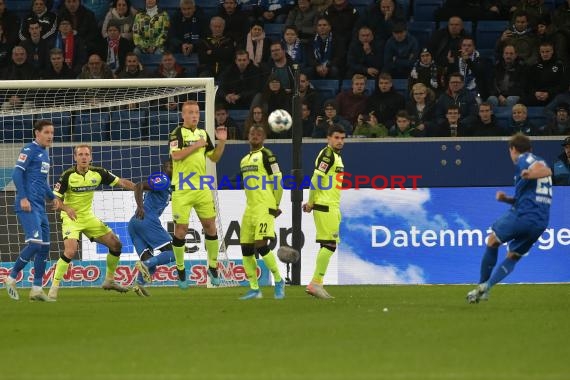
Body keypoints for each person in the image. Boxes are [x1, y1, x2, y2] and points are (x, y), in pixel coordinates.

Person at [467, 133, 552, 303]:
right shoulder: (538, 160)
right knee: (513, 256)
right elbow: (529, 192)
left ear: (513, 149)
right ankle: (487, 288)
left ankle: (481, 284)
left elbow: (546, 171)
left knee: (492, 241)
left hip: (523, 215)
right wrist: (506, 199)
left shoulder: (525, 159)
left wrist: (530, 174)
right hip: (541, 222)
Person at [48, 144, 136, 300]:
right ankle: (53, 287)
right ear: (75, 157)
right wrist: (66, 208)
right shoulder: (67, 175)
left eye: (86, 154)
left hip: (88, 218)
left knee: (116, 245)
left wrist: (140, 188)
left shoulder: (98, 173)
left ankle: (109, 280)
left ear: (90, 157)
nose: (83, 157)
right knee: (70, 250)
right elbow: (55, 201)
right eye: (80, 154)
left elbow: (121, 182)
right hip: (71, 218)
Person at [169, 100, 227, 288]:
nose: (194, 115)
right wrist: (197, 145)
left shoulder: (203, 134)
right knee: (181, 230)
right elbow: (176, 156)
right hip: (182, 189)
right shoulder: (177, 133)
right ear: (183, 115)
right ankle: (180, 269)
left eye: (196, 113)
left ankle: (212, 267)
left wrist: (222, 142)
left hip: (202, 188)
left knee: (211, 227)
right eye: (190, 112)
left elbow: (215, 158)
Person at [4, 121, 56, 301]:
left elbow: (42, 183)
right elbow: (16, 173)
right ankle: (11, 278)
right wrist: (24, 197)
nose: (50, 136)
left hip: (40, 207)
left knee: (45, 248)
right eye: (47, 132)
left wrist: (53, 197)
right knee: (35, 244)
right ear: (37, 133)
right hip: (27, 204)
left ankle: (37, 288)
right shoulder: (30, 149)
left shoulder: (45, 154)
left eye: (52, 132)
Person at [238, 125, 285, 300]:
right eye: (252, 133)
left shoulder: (267, 155)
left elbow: (278, 179)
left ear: (264, 137)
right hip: (250, 208)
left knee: (261, 244)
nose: (255, 136)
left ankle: (279, 281)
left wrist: (276, 204)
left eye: (259, 133)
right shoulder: (244, 160)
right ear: (248, 136)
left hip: (265, 206)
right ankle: (254, 288)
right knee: (246, 248)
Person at [303, 124, 346, 299]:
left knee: (326, 245)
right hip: (325, 205)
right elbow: (316, 178)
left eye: (343, 138)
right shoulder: (328, 155)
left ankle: (317, 283)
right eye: (336, 137)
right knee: (330, 245)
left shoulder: (335, 156)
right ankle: (316, 283)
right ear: (328, 138)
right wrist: (311, 202)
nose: (340, 141)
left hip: (330, 205)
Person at [128, 160, 175, 297]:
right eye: (169, 166)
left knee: (150, 265)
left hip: (134, 224)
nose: (172, 169)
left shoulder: (169, 185)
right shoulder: (163, 180)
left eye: (174, 166)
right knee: (174, 254)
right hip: (147, 219)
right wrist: (140, 207)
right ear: (164, 169)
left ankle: (139, 285)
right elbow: (138, 186)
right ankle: (145, 265)